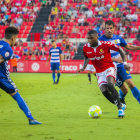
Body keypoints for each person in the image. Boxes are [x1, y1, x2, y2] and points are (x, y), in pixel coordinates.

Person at [77, 30, 128, 117]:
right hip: (99, 72)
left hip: (109, 67)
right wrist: (84, 67)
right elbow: (86, 57)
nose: (89, 40)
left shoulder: (105, 44)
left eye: (91, 38)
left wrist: (125, 63)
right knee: (105, 92)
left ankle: (120, 109)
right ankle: (121, 105)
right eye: (88, 38)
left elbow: (120, 49)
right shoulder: (85, 47)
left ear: (97, 37)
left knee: (110, 85)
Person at [0, 27, 41, 125]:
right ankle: (31, 119)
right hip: (3, 78)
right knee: (16, 94)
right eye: (17, 38)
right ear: (13, 38)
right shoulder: (8, 49)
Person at [99, 20, 140, 105]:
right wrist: (115, 59)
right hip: (110, 68)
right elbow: (100, 56)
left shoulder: (118, 38)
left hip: (121, 66)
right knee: (125, 89)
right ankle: (121, 98)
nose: (109, 30)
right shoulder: (100, 40)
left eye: (111, 28)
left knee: (130, 83)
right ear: (105, 29)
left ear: (114, 28)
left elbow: (129, 46)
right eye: (107, 28)